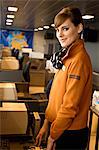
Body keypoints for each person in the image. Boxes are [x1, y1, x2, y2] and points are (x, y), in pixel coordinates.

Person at [36, 6, 92, 150]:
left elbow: (69, 107)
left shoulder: (78, 60)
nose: (59, 34)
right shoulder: (66, 57)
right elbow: (56, 96)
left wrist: (53, 136)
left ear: (79, 28)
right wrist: (46, 124)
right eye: (57, 29)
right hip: (60, 127)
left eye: (65, 29)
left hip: (70, 133)